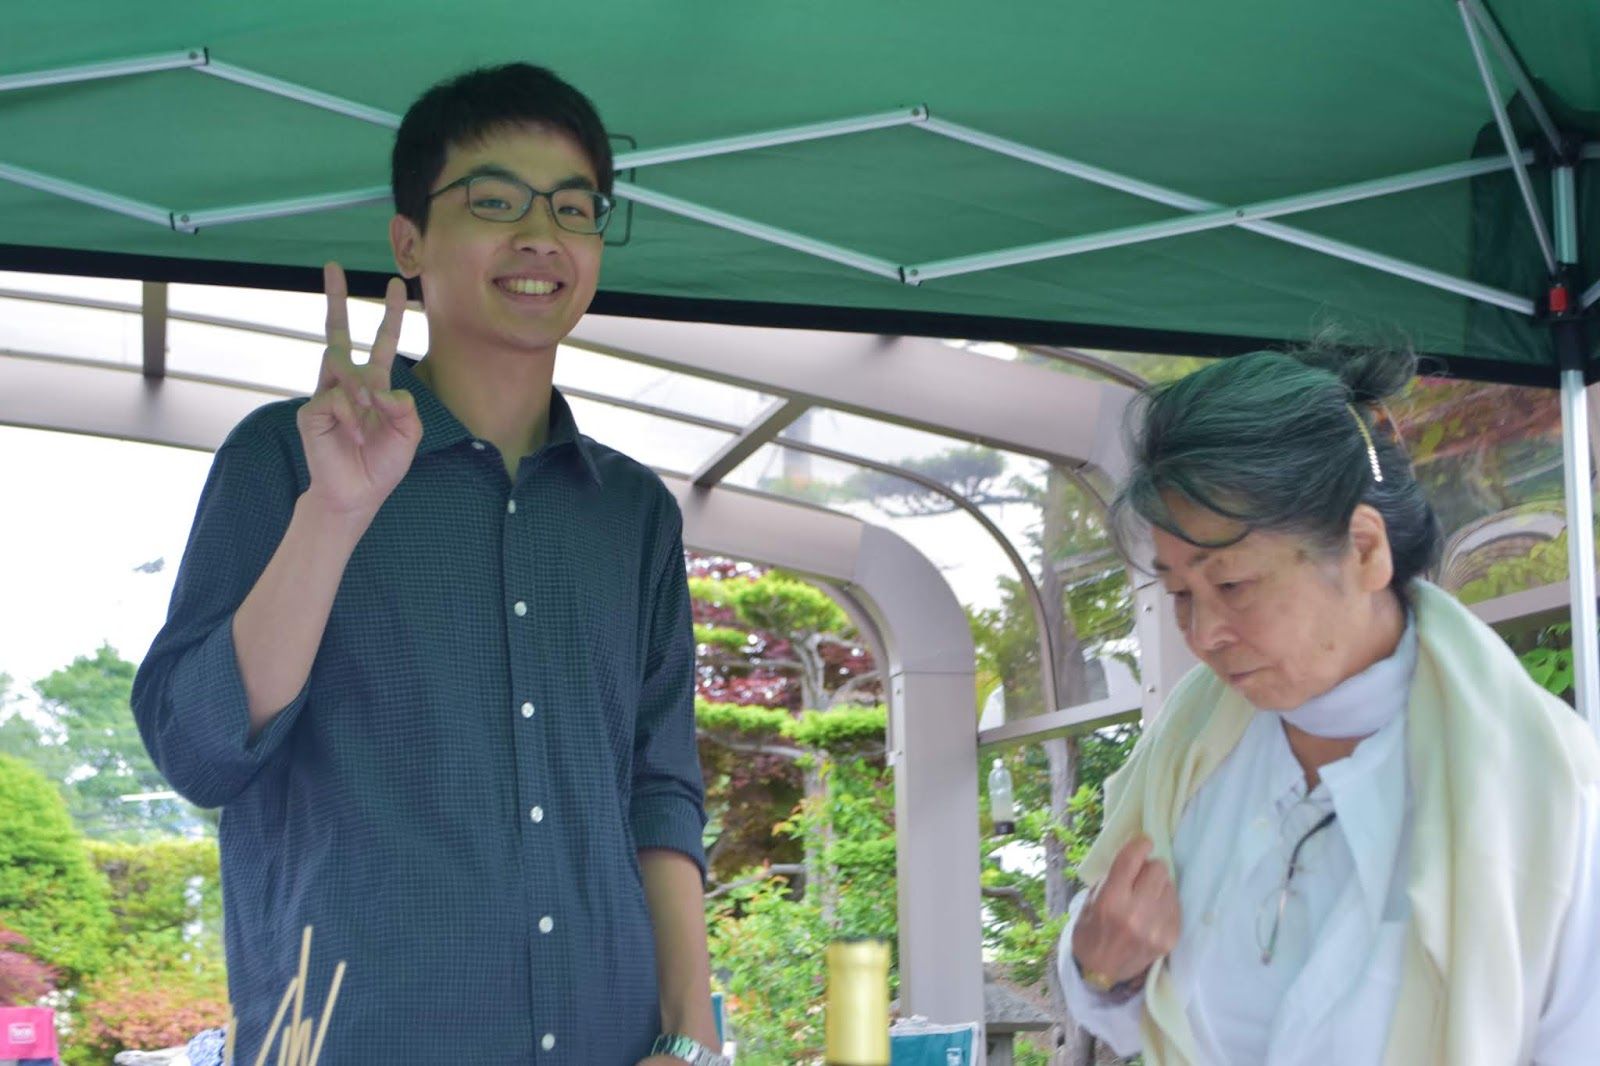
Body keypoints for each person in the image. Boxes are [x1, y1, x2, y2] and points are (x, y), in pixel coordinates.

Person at [133, 63, 724, 1066]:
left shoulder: (631, 514)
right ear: (409, 240)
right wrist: (334, 514)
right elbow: (199, 751)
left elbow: (659, 790)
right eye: (495, 201)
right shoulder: (283, 459)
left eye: (575, 209)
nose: (541, 235)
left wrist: (693, 1040)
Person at [1058, 345, 1600, 1064]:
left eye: (1233, 585)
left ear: (1366, 549)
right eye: (1180, 594)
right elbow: (1143, 1003)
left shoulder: (1548, 794)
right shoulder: (1190, 750)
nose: (1202, 636)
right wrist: (1104, 967)